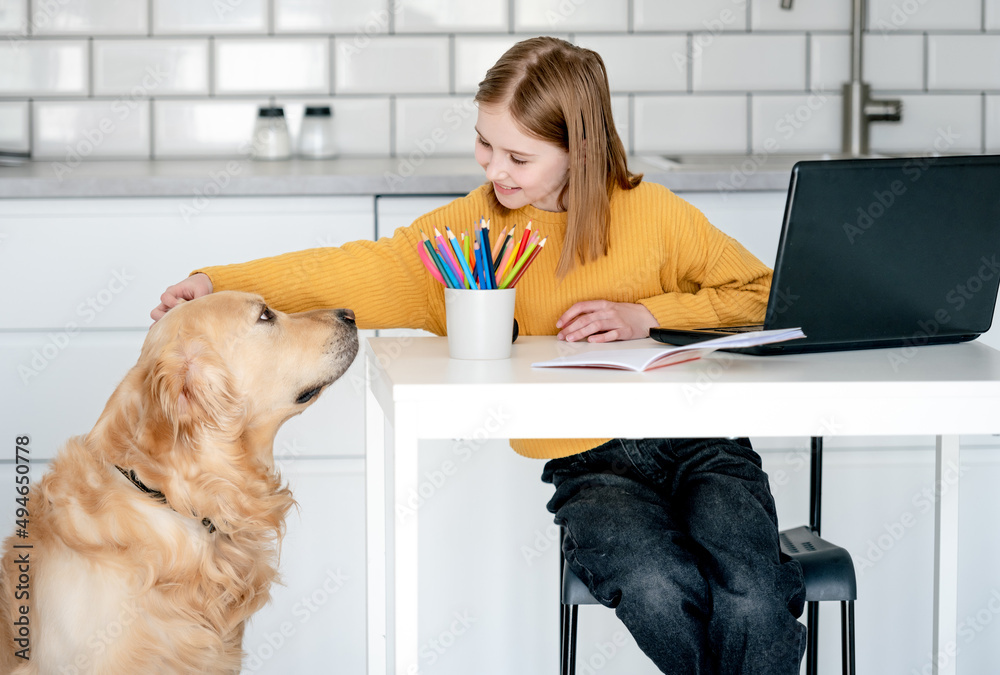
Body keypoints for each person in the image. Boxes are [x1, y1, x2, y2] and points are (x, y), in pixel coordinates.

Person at [152, 36, 806, 674]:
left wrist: (650, 314)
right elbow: (355, 268)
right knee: (655, 584)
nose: (494, 169)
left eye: (518, 157)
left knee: (749, 587)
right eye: (485, 143)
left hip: (700, 440)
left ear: (580, 150)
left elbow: (765, 293)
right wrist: (217, 281)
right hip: (590, 463)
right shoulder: (473, 230)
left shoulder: (657, 215)